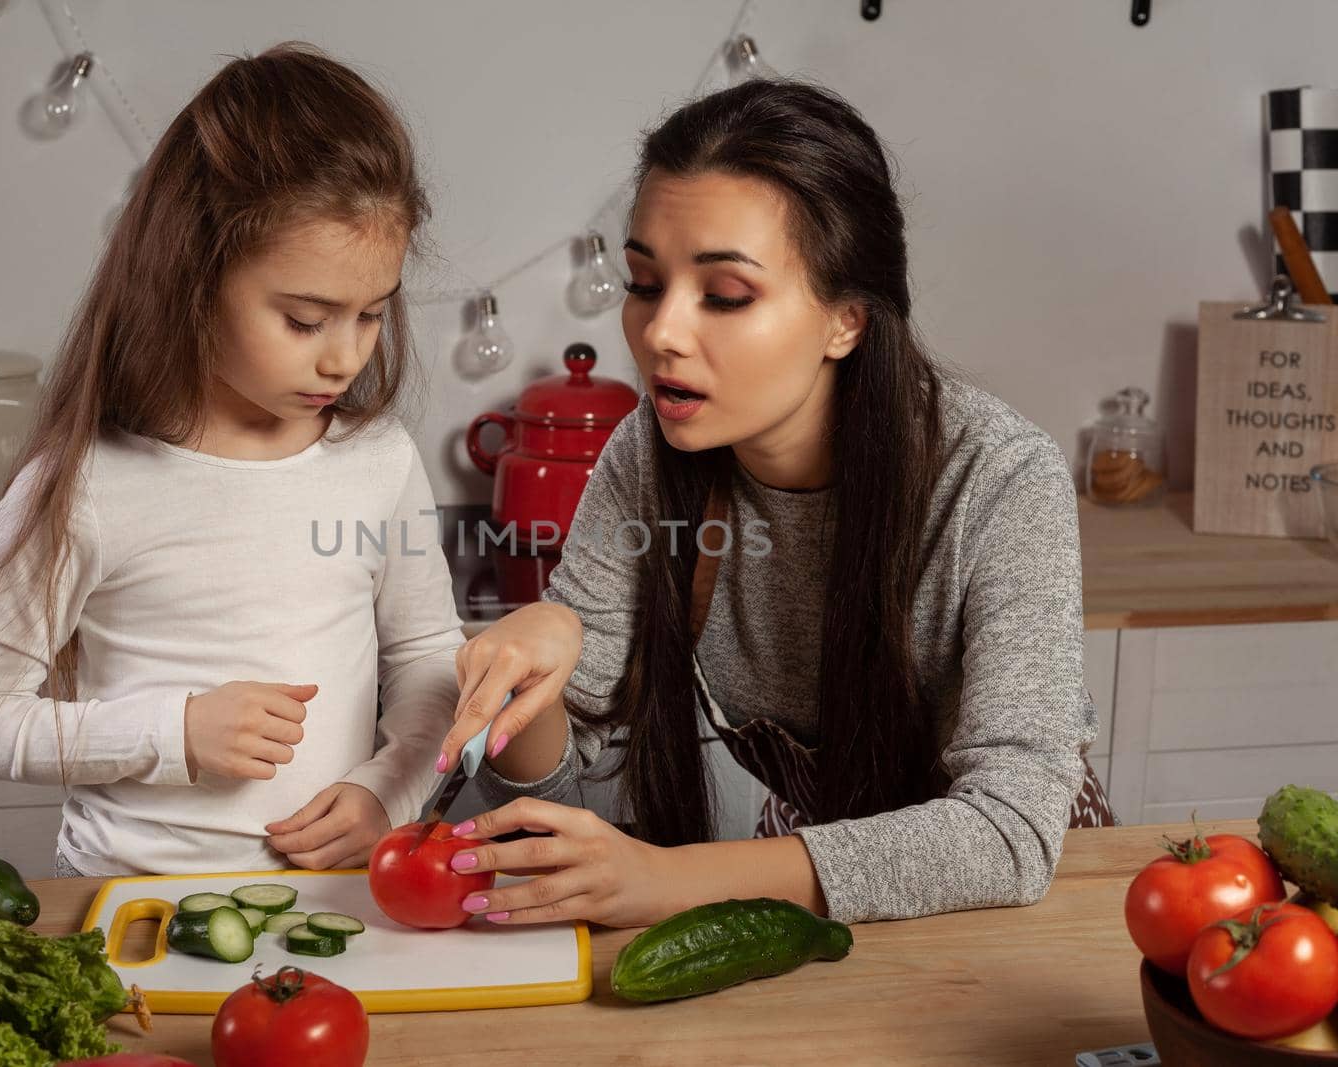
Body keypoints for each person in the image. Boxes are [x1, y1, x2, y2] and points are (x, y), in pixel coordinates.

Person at [437, 78, 1111, 929]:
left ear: (847, 321)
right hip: (806, 876)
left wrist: (662, 878)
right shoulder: (648, 451)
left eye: (724, 296)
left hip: (1006, 910)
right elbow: (551, 784)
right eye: (644, 283)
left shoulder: (1000, 476)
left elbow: (1009, 835)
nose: (662, 333)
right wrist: (534, 677)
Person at [0, 44, 462, 878]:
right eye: (304, 319)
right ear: (194, 275)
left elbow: (429, 657)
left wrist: (386, 795)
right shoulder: (88, 482)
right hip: (130, 901)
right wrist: (170, 731)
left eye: (370, 315)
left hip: (334, 900)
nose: (345, 359)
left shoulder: (379, 463)